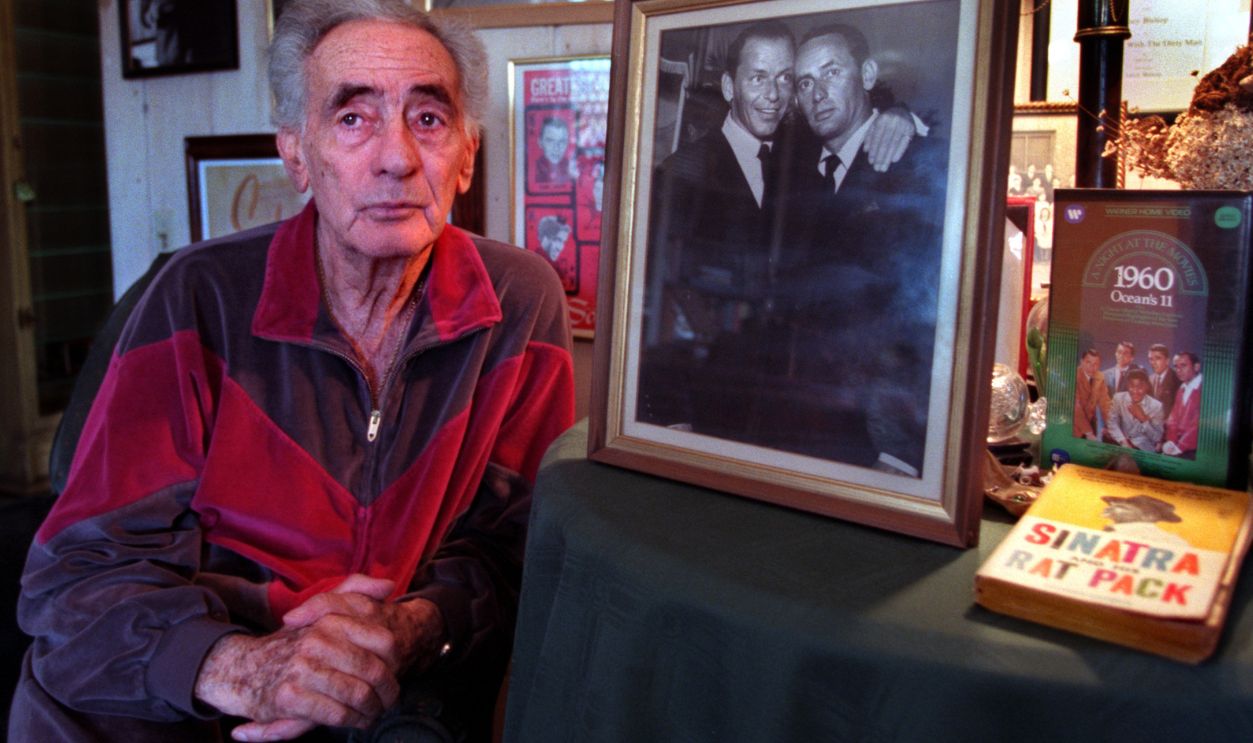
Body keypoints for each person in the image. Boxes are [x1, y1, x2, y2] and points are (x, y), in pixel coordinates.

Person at [10, 1, 575, 741]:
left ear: (465, 154)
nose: (397, 156)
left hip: (383, 697)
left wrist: (408, 626)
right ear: (297, 155)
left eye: (428, 119)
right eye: (352, 119)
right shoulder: (196, 296)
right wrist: (241, 666)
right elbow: (74, 581)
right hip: (180, 708)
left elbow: (519, 549)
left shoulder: (517, 301)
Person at [767, 23, 950, 476]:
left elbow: (928, 316)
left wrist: (900, 455)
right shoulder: (799, 172)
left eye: (831, 73)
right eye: (805, 83)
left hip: (886, 440)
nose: (817, 94)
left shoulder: (917, 159)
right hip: (810, 426)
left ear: (867, 74)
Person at [1104, 369, 1164, 452]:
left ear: (1147, 387)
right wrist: (1123, 442)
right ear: (1127, 386)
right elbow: (1112, 422)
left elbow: (1157, 437)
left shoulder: (1156, 406)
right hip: (1121, 444)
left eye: (1140, 387)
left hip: (1144, 450)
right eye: (1132, 386)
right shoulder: (1118, 398)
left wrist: (1143, 419)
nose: (1135, 391)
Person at [1162, 352, 1202, 458]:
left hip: (1195, 448)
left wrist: (1180, 447)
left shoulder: (1205, 389)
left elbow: (1199, 424)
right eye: (1176, 367)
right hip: (1178, 446)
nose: (1178, 370)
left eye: (1183, 365)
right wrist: (1171, 441)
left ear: (1196, 367)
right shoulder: (1182, 388)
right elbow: (1173, 419)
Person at [1073, 348, 1111, 441]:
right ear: (1081, 362)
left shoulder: (1100, 377)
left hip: (1090, 423)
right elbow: (1075, 406)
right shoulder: (1074, 375)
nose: (1092, 367)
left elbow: (1105, 404)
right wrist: (1089, 433)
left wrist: (1111, 427)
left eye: (1095, 364)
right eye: (1088, 362)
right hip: (1073, 425)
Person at [534, 116, 574, 185]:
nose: (556, 148)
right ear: (540, 142)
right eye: (550, 141)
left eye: (562, 141)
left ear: (568, 143)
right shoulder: (533, 170)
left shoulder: (572, 170)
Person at [1146, 342, 1180, 416]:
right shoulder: (1149, 379)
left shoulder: (1177, 379)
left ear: (1167, 361)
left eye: (1158, 358)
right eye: (1151, 359)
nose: (1153, 362)